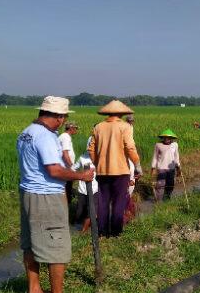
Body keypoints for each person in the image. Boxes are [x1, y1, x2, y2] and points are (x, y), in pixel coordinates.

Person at [16, 96, 94, 293]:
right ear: (59, 117)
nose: (63, 121)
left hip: (28, 193)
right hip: (46, 196)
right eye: (64, 117)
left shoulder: (26, 132)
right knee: (57, 246)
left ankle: (34, 291)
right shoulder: (46, 137)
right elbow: (54, 170)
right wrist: (81, 176)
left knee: (31, 242)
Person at [88, 100, 142, 237]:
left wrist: (97, 163)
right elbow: (130, 147)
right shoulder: (125, 127)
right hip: (121, 171)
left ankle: (102, 231)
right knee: (119, 201)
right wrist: (137, 165)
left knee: (103, 201)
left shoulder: (98, 127)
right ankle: (116, 232)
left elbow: (91, 149)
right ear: (121, 113)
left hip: (102, 171)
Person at [72, 136, 98, 233]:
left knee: (92, 210)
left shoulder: (100, 157)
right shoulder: (83, 157)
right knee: (80, 211)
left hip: (95, 189)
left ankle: (85, 231)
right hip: (82, 189)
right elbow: (73, 169)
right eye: (91, 144)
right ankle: (77, 228)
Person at [150, 129, 181, 202]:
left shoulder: (175, 145)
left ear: (171, 138)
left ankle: (167, 198)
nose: (167, 139)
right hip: (161, 168)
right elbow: (155, 157)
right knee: (160, 185)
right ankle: (158, 201)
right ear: (163, 138)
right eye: (165, 137)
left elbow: (176, 156)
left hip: (171, 168)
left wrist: (178, 167)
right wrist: (153, 168)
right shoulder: (158, 145)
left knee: (170, 185)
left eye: (169, 138)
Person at [58, 121, 79, 201]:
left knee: (67, 186)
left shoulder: (65, 136)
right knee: (66, 187)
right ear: (71, 128)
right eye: (76, 128)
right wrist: (71, 167)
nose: (76, 130)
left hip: (65, 166)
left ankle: (67, 202)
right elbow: (65, 153)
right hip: (65, 167)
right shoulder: (65, 137)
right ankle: (66, 204)